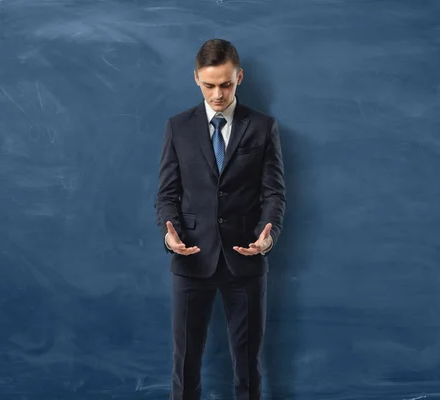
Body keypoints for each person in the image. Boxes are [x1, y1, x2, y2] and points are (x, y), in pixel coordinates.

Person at [154, 38, 286, 400]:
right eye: (209, 85)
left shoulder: (262, 127)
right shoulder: (178, 127)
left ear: (239, 77)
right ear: (196, 78)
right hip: (190, 259)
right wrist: (170, 238)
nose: (217, 94)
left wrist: (267, 237)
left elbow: (274, 193)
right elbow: (167, 195)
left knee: (247, 365)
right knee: (185, 364)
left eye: (225, 84)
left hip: (245, 257)